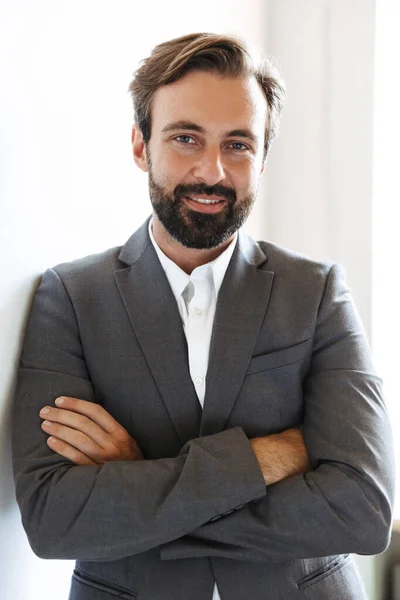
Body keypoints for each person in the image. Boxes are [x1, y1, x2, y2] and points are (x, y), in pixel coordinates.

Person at [11, 32, 395, 600]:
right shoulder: (69, 297)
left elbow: (363, 508)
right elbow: (53, 517)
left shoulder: (317, 293)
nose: (212, 171)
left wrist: (141, 476)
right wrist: (261, 460)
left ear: (263, 156)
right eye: (186, 138)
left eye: (238, 144)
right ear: (141, 146)